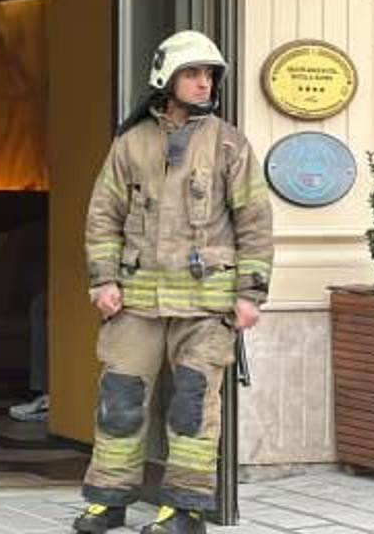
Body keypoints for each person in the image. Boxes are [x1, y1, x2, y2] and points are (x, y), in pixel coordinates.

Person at [72, 31, 273, 534]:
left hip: (206, 305)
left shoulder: (229, 144)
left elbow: (254, 221)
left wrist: (251, 294)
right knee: (119, 401)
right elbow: (103, 216)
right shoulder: (131, 143)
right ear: (167, 79)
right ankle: (108, 500)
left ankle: (185, 510)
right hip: (135, 301)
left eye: (210, 75)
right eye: (193, 74)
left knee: (192, 407)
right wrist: (103, 281)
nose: (204, 84)